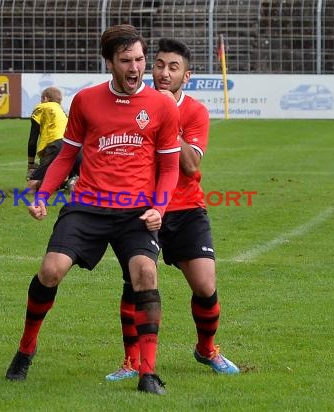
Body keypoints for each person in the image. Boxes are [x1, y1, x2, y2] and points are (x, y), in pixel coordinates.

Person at [5, 25, 181, 395]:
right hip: (87, 206)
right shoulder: (86, 101)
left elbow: (168, 167)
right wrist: (43, 195)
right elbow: (67, 154)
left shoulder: (162, 105)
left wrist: (159, 208)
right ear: (109, 63)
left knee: (145, 274)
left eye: (139, 59)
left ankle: (147, 373)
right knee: (50, 271)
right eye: (126, 61)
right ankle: (26, 348)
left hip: (135, 211)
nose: (135, 68)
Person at [105, 38, 240, 382]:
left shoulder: (194, 111)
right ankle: (131, 361)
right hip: (144, 207)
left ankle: (206, 349)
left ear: (187, 76)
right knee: (136, 282)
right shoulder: (137, 105)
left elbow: (192, 166)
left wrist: (170, 114)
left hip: (186, 208)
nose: (164, 73)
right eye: (160, 65)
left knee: (205, 284)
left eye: (173, 67)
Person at [26, 86, 81, 192]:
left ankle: (63, 183)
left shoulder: (42, 107)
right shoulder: (63, 112)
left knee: (31, 186)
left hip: (56, 144)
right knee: (66, 174)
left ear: (45, 98)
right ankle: (72, 181)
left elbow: (32, 140)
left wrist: (31, 165)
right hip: (76, 147)